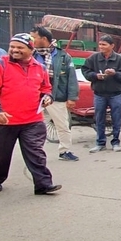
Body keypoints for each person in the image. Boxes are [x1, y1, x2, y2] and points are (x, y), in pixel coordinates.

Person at [0, 33, 60, 196]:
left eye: (20, 47)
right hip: (3, 119)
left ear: (31, 50)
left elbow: (46, 88)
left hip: (32, 120)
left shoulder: (40, 68)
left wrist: (47, 97)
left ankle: (43, 184)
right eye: (12, 47)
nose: (15, 50)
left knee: (36, 152)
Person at [31, 26, 80, 162]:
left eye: (34, 37)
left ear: (44, 39)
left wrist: (72, 98)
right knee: (31, 126)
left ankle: (65, 151)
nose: (32, 40)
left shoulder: (63, 56)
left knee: (62, 125)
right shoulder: (30, 54)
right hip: (34, 95)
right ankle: (33, 153)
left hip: (56, 95)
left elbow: (71, 78)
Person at [82, 35, 121, 153]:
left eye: (104, 44)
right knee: (99, 119)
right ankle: (100, 143)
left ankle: (116, 142)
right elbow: (85, 70)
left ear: (112, 46)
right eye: (100, 44)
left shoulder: (120, 59)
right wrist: (95, 76)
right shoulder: (93, 58)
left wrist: (115, 73)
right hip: (99, 94)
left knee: (116, 119)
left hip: (116, 94)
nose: (101, 47)